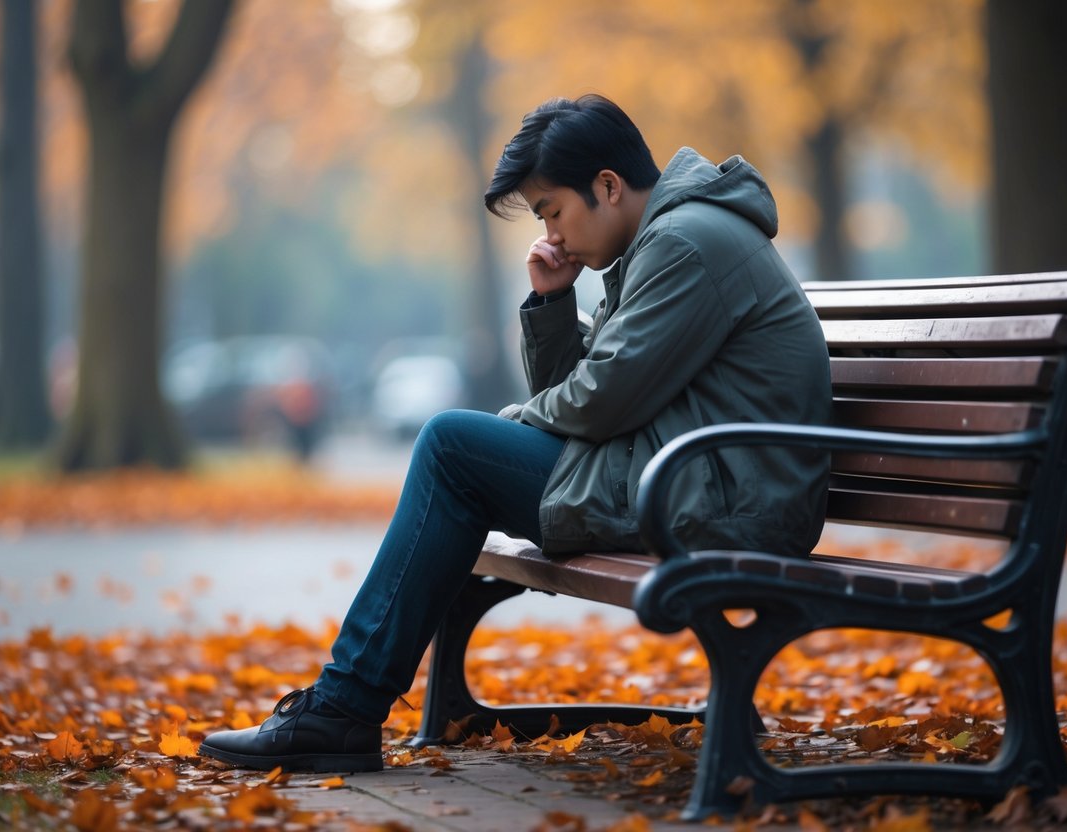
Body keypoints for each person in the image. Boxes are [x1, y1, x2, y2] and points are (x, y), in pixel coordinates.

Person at [199, 94, 832, 772]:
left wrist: (510, 425)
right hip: (695, 479)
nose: (552, 236)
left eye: (551, 211)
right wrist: (554, 301)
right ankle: (343, 709)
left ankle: (342, 711)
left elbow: (598, 402)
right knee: (459, 455)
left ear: (608, 187)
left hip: (724, 501)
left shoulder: (685, 243)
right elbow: (598, 389)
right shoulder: (666, 239)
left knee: (452, 447)